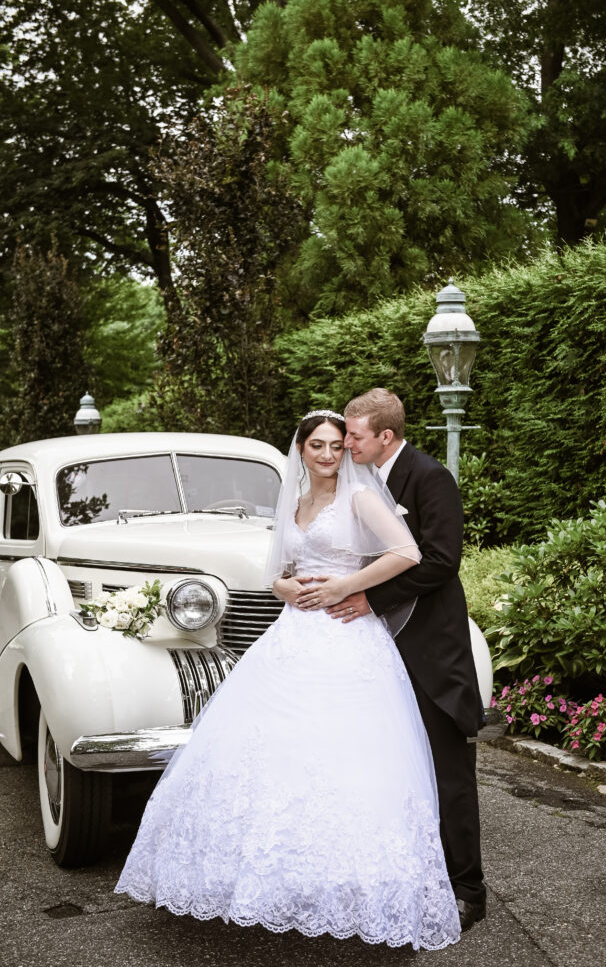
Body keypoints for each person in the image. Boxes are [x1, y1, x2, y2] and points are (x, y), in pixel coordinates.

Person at [115, 410, 461, 950]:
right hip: (291, 637)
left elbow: (407, 552)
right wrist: (287, 591)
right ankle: (271, 879)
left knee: (346, 757)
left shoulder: (360, 498)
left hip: (347, 639)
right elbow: (280, 572)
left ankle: (358, 884)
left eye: (336, 446)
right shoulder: (296, 504)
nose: (327, 454)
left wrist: (347, 586)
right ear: (300, 449)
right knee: (267, 753)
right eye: (317, 445)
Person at [298, 389, 486, 930]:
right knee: (388, 770)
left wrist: (368, 599)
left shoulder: (428, 477)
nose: (343, 443)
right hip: (370, 651)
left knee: (448, 770)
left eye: (352, 436)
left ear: (385, 436)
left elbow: (443, 562)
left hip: (429, 646)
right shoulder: (354, 483)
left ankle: (468, 889)